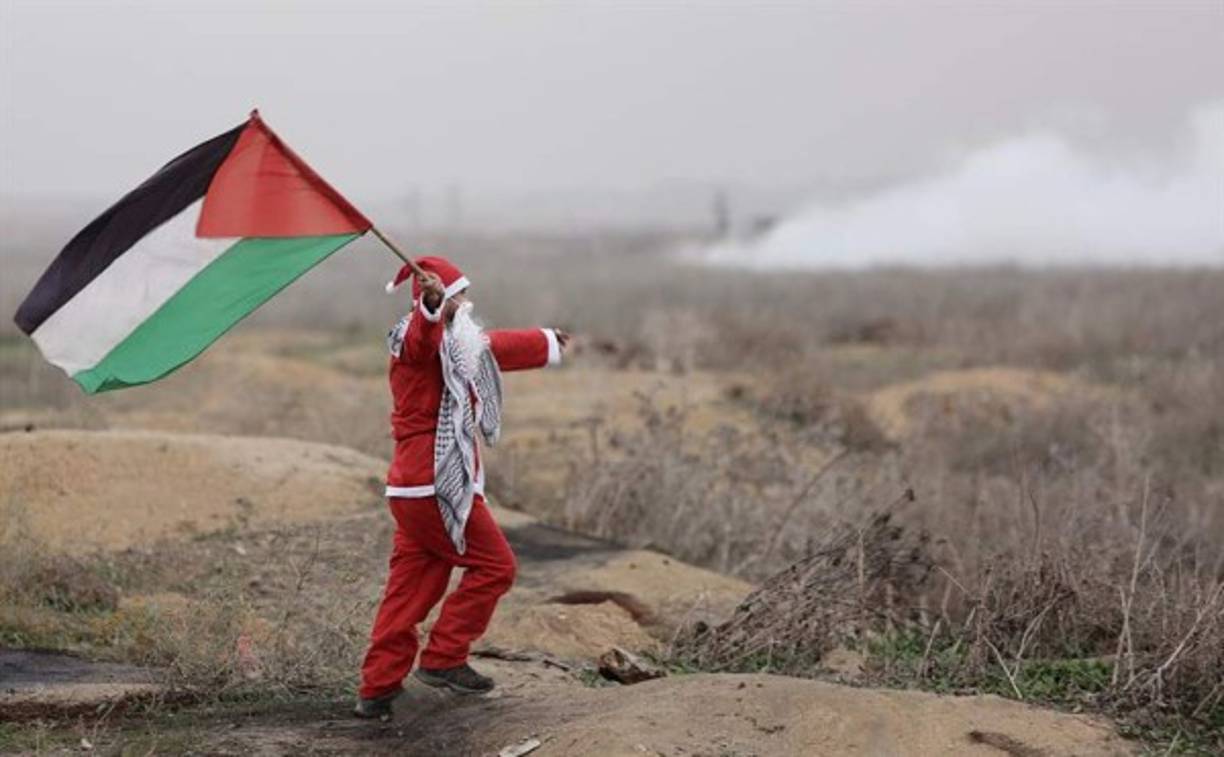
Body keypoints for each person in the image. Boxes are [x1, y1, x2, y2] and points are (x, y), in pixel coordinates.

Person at [354, 255, 569, 720]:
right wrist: (431, 305)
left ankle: (378, 689)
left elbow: (491, 348)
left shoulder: (457, 346)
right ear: (440, 301)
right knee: (496, 567)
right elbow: (419, 338)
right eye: (459, 296)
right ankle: (444, 659)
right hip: (436, 485)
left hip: (413, 489)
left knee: (410, 589)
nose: (468, 303)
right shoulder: (412, 340)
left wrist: (547, 342)